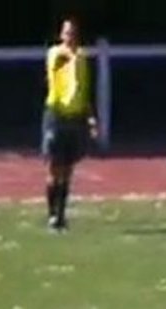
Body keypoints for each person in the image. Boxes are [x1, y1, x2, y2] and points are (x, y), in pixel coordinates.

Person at [42, 18, 99, 232]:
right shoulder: (56, 54)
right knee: (54, 167)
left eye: (73, 33)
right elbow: (56, 67)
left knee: (68, 169)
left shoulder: (82, 58)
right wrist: (71, 57)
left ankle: (61, 215)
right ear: (61, 35)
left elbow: (84, 90)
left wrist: (90, 117)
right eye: (66, 33)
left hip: (76, 117)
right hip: (57, 115)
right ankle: (51, 214)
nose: (70, 37)